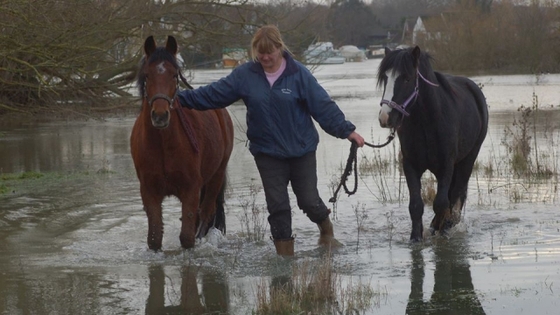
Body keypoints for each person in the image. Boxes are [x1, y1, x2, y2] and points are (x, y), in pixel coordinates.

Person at [177, 25, 365, 256]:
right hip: (267, 153)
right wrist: (176, 99)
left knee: (308, 201)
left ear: (280, 48)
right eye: (260, 52)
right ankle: (284, 259)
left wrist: (348, 131)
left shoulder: (298, 74)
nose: (265, 57)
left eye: (270, 52)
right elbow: (213, 94)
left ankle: (326, 229)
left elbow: (323, 107)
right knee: (278, 207)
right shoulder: (246, 76)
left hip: (301, 150)